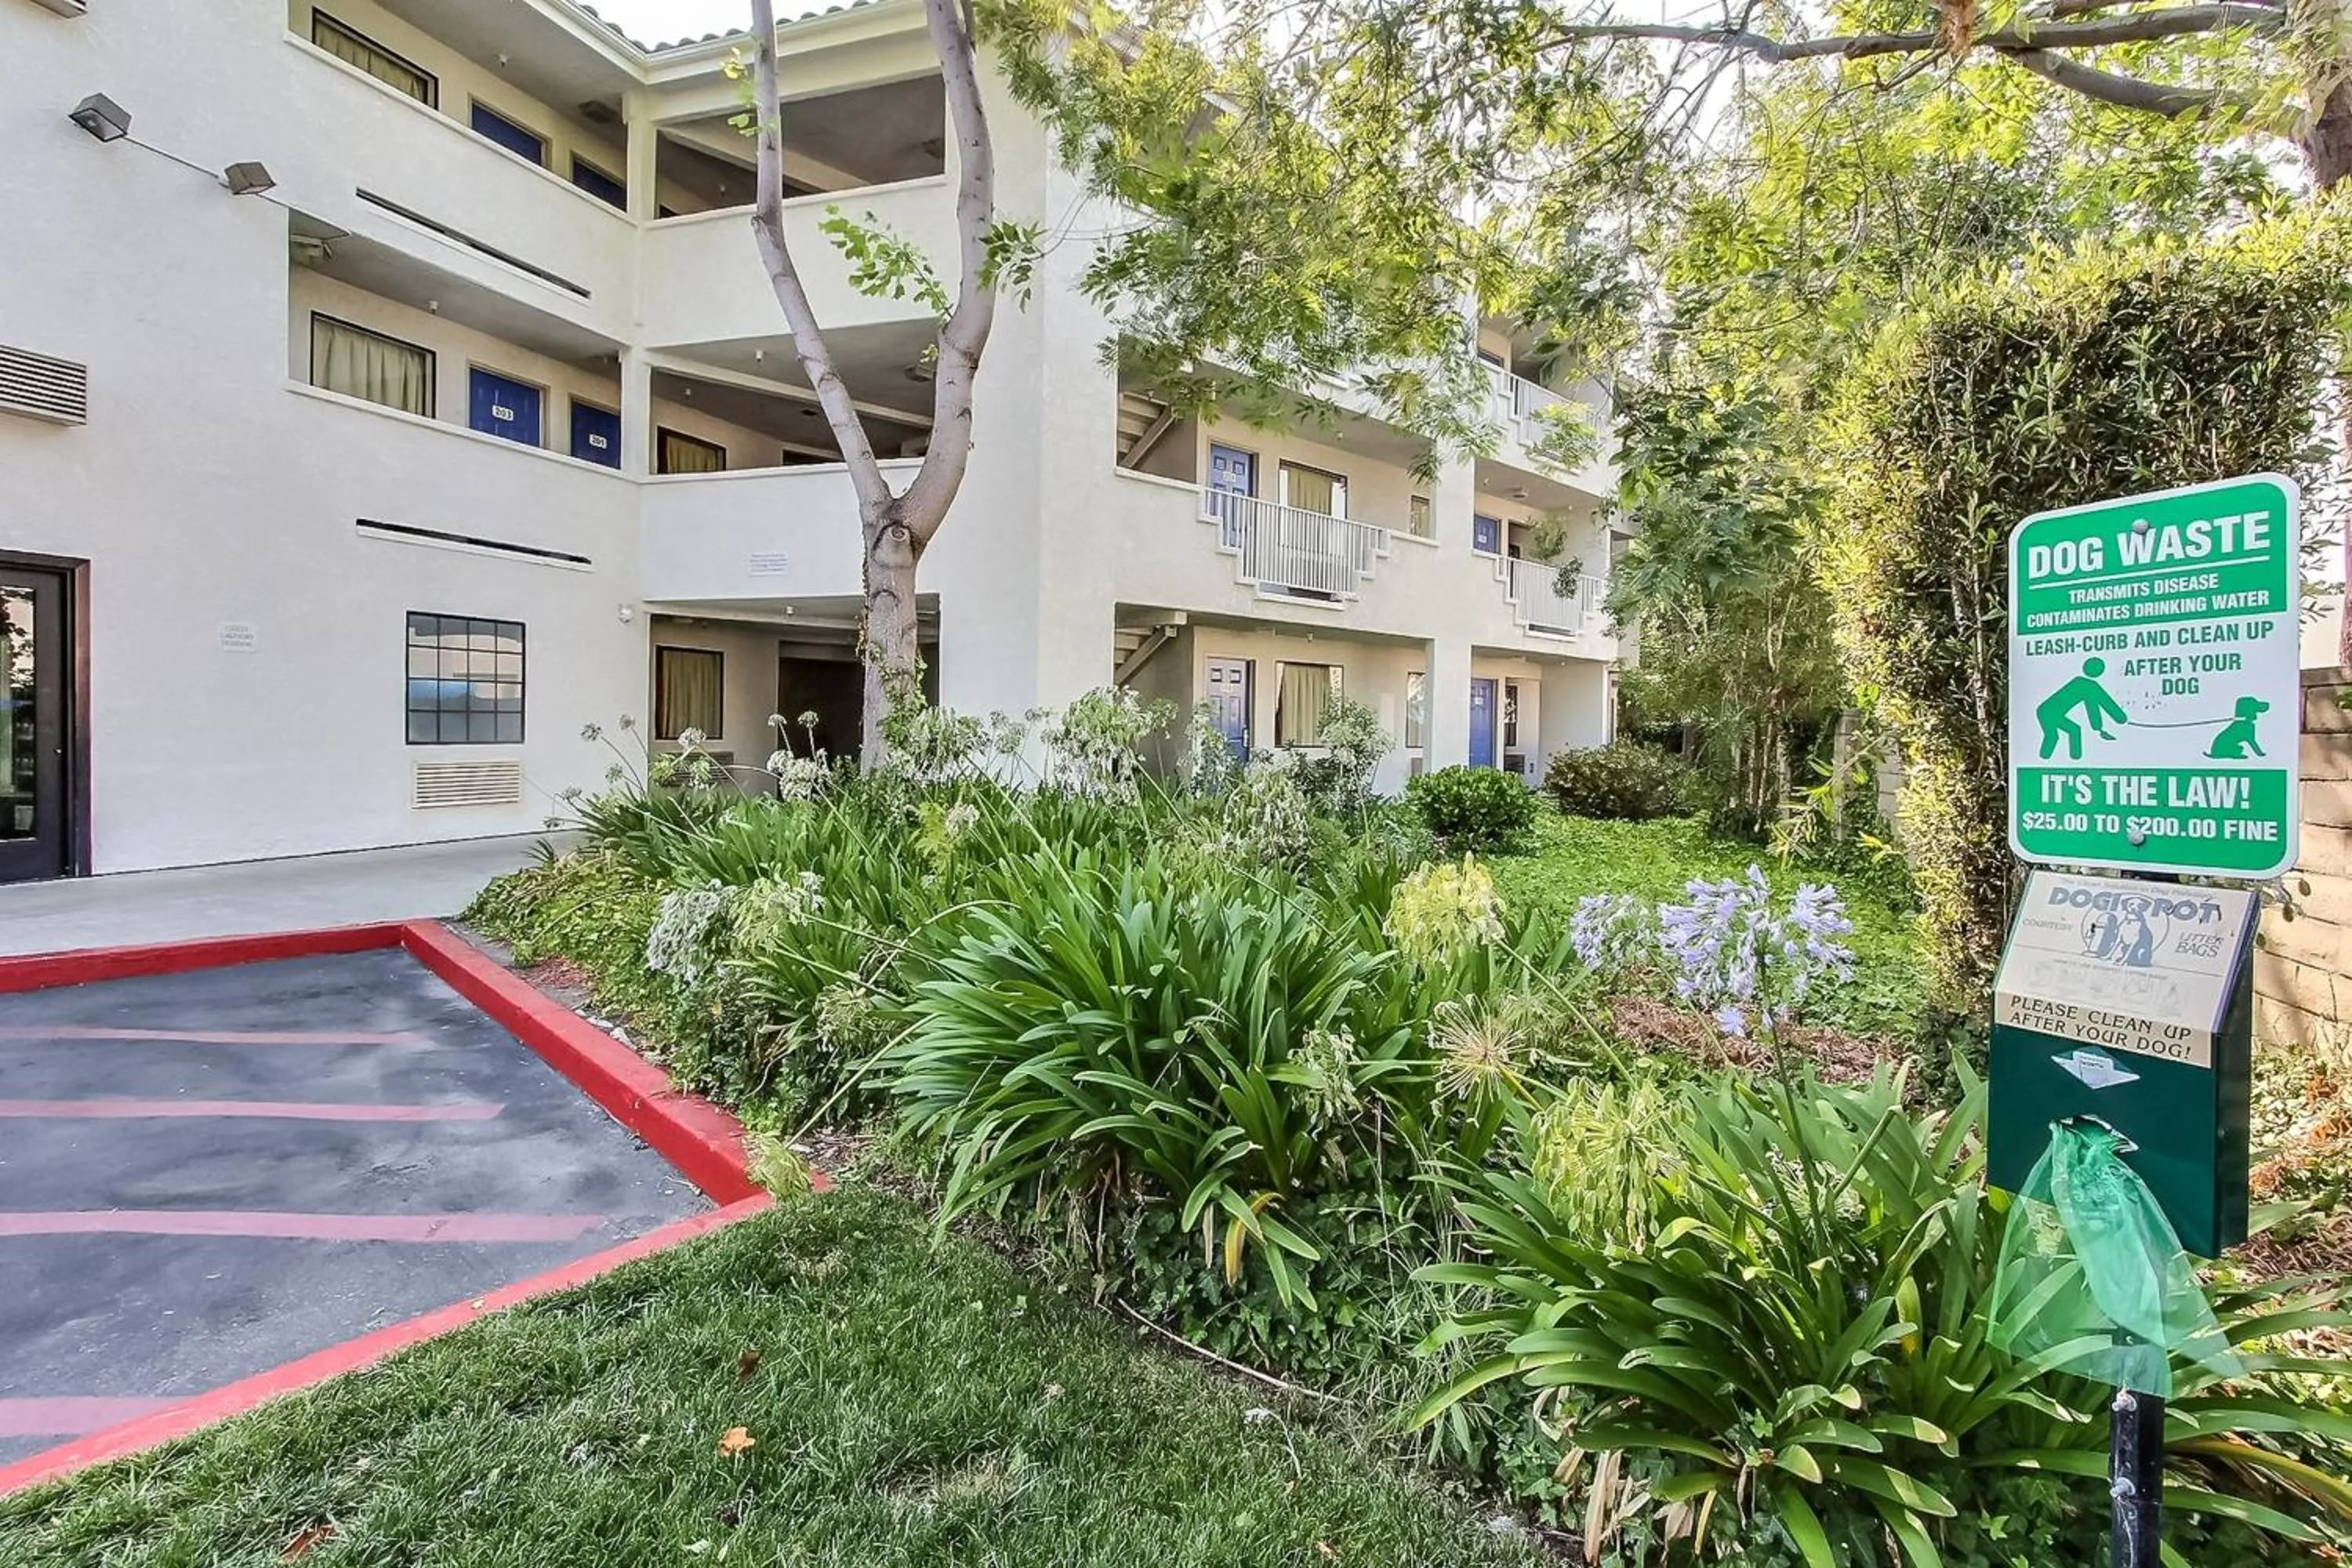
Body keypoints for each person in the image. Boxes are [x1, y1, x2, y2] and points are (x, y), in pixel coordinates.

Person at [2036, 657, 2129, 761]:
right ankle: (2071, 759)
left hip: (2044, 711)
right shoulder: (2088, 686)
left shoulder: (2081, 683)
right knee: (2057, 735)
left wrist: (2100, 727)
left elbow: (2096, 705)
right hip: (2048, 712)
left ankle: (2064, 759)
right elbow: (2095, 706)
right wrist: (2116, 721)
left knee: (2065, 732)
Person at [2205, 695, 2269, 760]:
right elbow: (2251, 741)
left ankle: (2227, 753)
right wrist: (2259, 753)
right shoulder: (2246, 726)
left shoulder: (2240, 724)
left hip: (2217, 750)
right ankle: (2229, 754)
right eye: (2254, 705)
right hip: (2220, 750)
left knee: (2239, 749)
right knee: (2239, 749)